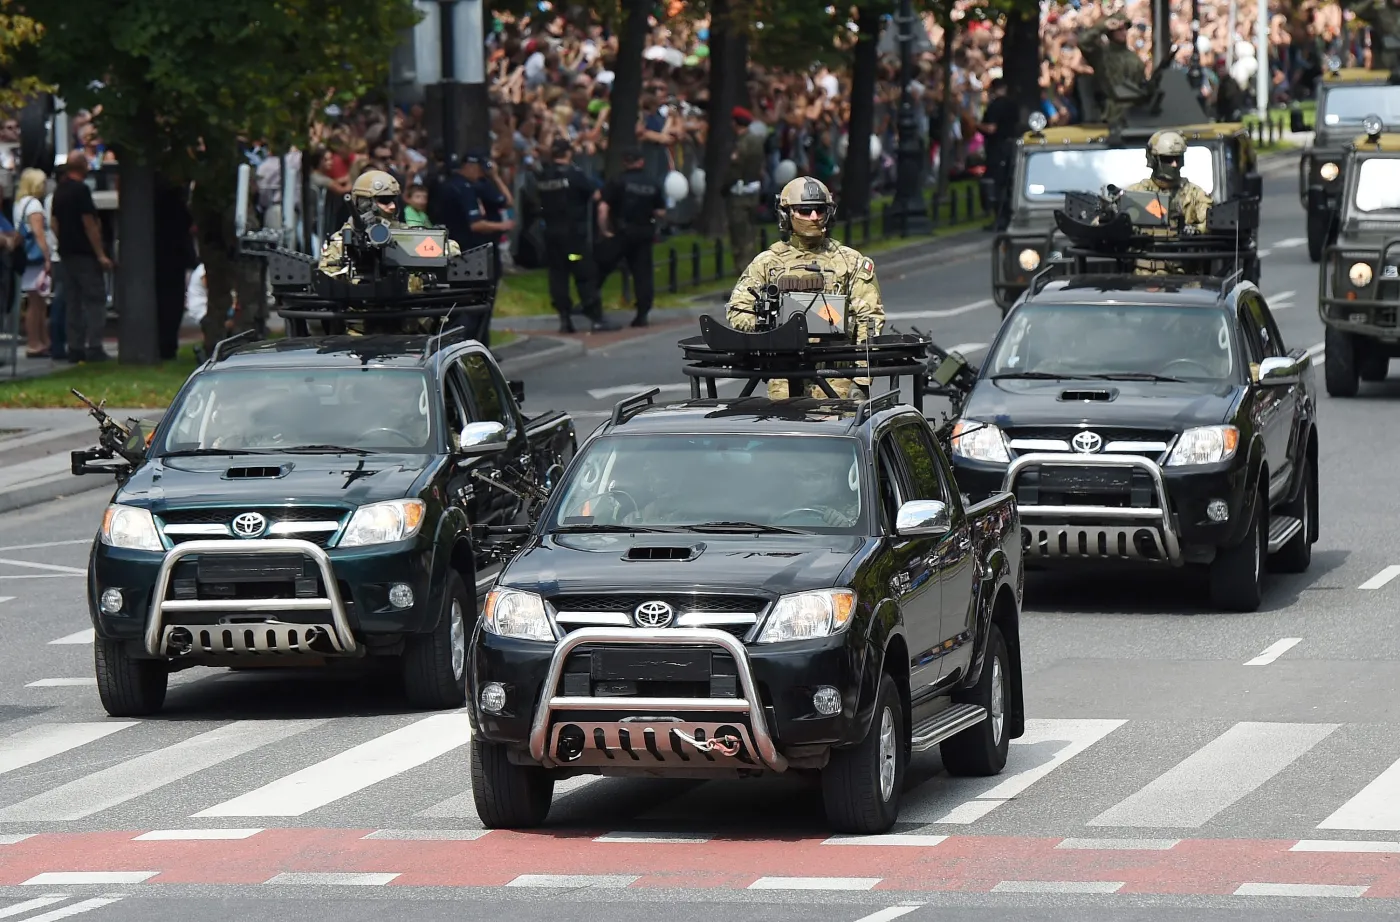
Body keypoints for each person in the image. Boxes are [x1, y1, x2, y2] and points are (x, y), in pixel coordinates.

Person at [727, 176, 885, 399]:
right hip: (784, 375)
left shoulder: (851, 262)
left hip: (837, 375)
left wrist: (861, 379)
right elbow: (738, 310)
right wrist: (768, 330)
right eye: (805, 210)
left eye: (820, 210)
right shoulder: (767, 263)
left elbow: (869, 320)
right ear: (786, 214)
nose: (814, 217)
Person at [529, 138, 617, 333]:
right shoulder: (574, 175)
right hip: (573, 237)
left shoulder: (544, 176)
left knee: (558, 275)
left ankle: (565, 319)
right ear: (568, 153)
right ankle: (595, 317)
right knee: (584, 273)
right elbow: (594, 195)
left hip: (551, 235)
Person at [49, 151, 113, 363]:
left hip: (66, 254)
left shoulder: (60, 191)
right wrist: (101, 254)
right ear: (83, 167)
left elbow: (54, 223)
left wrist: (63, 242)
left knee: (72, 301)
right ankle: (94, 347)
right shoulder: (81, 190)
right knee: (95, 300)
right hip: (85, 254)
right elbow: (89, 223)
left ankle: (75, 348)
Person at [1125, 130, 1212, 275]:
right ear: (1153, 160)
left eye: (1178, 158)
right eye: (1168, 159)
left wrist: (1196, 230)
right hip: (1141, 276)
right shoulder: (1136, 193)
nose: (1174, 164)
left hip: (1182, 276)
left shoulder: (1194, 194)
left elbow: (1210, 219)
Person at [596, 147, 666, 327]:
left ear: (625, 162)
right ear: (641, 162)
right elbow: (660, 211)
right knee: (643, 273)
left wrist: (604, 230)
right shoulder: (653, 183)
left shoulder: (618, 181)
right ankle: (642, 313)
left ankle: (590, 302)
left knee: (601, 265)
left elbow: (603, 208)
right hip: (643, 232)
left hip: (621, 232)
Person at [1077, 13, 1151, 127]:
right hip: (1112, 112)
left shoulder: (1133, 57)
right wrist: (1104, 26)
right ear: (1111, 32)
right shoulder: (1101, 54)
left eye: (1125, 29)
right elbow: (1083, 42)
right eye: (1119, 29)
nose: (1123, 32)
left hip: (1137, 111)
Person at [724, 107, 765, 270]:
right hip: (753, 192)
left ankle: (744, 275)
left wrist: (725, 186)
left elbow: (735, 168)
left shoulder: (742, 143)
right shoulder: (756, 141)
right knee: (750, 235)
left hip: (739, 194)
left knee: (739, 237)